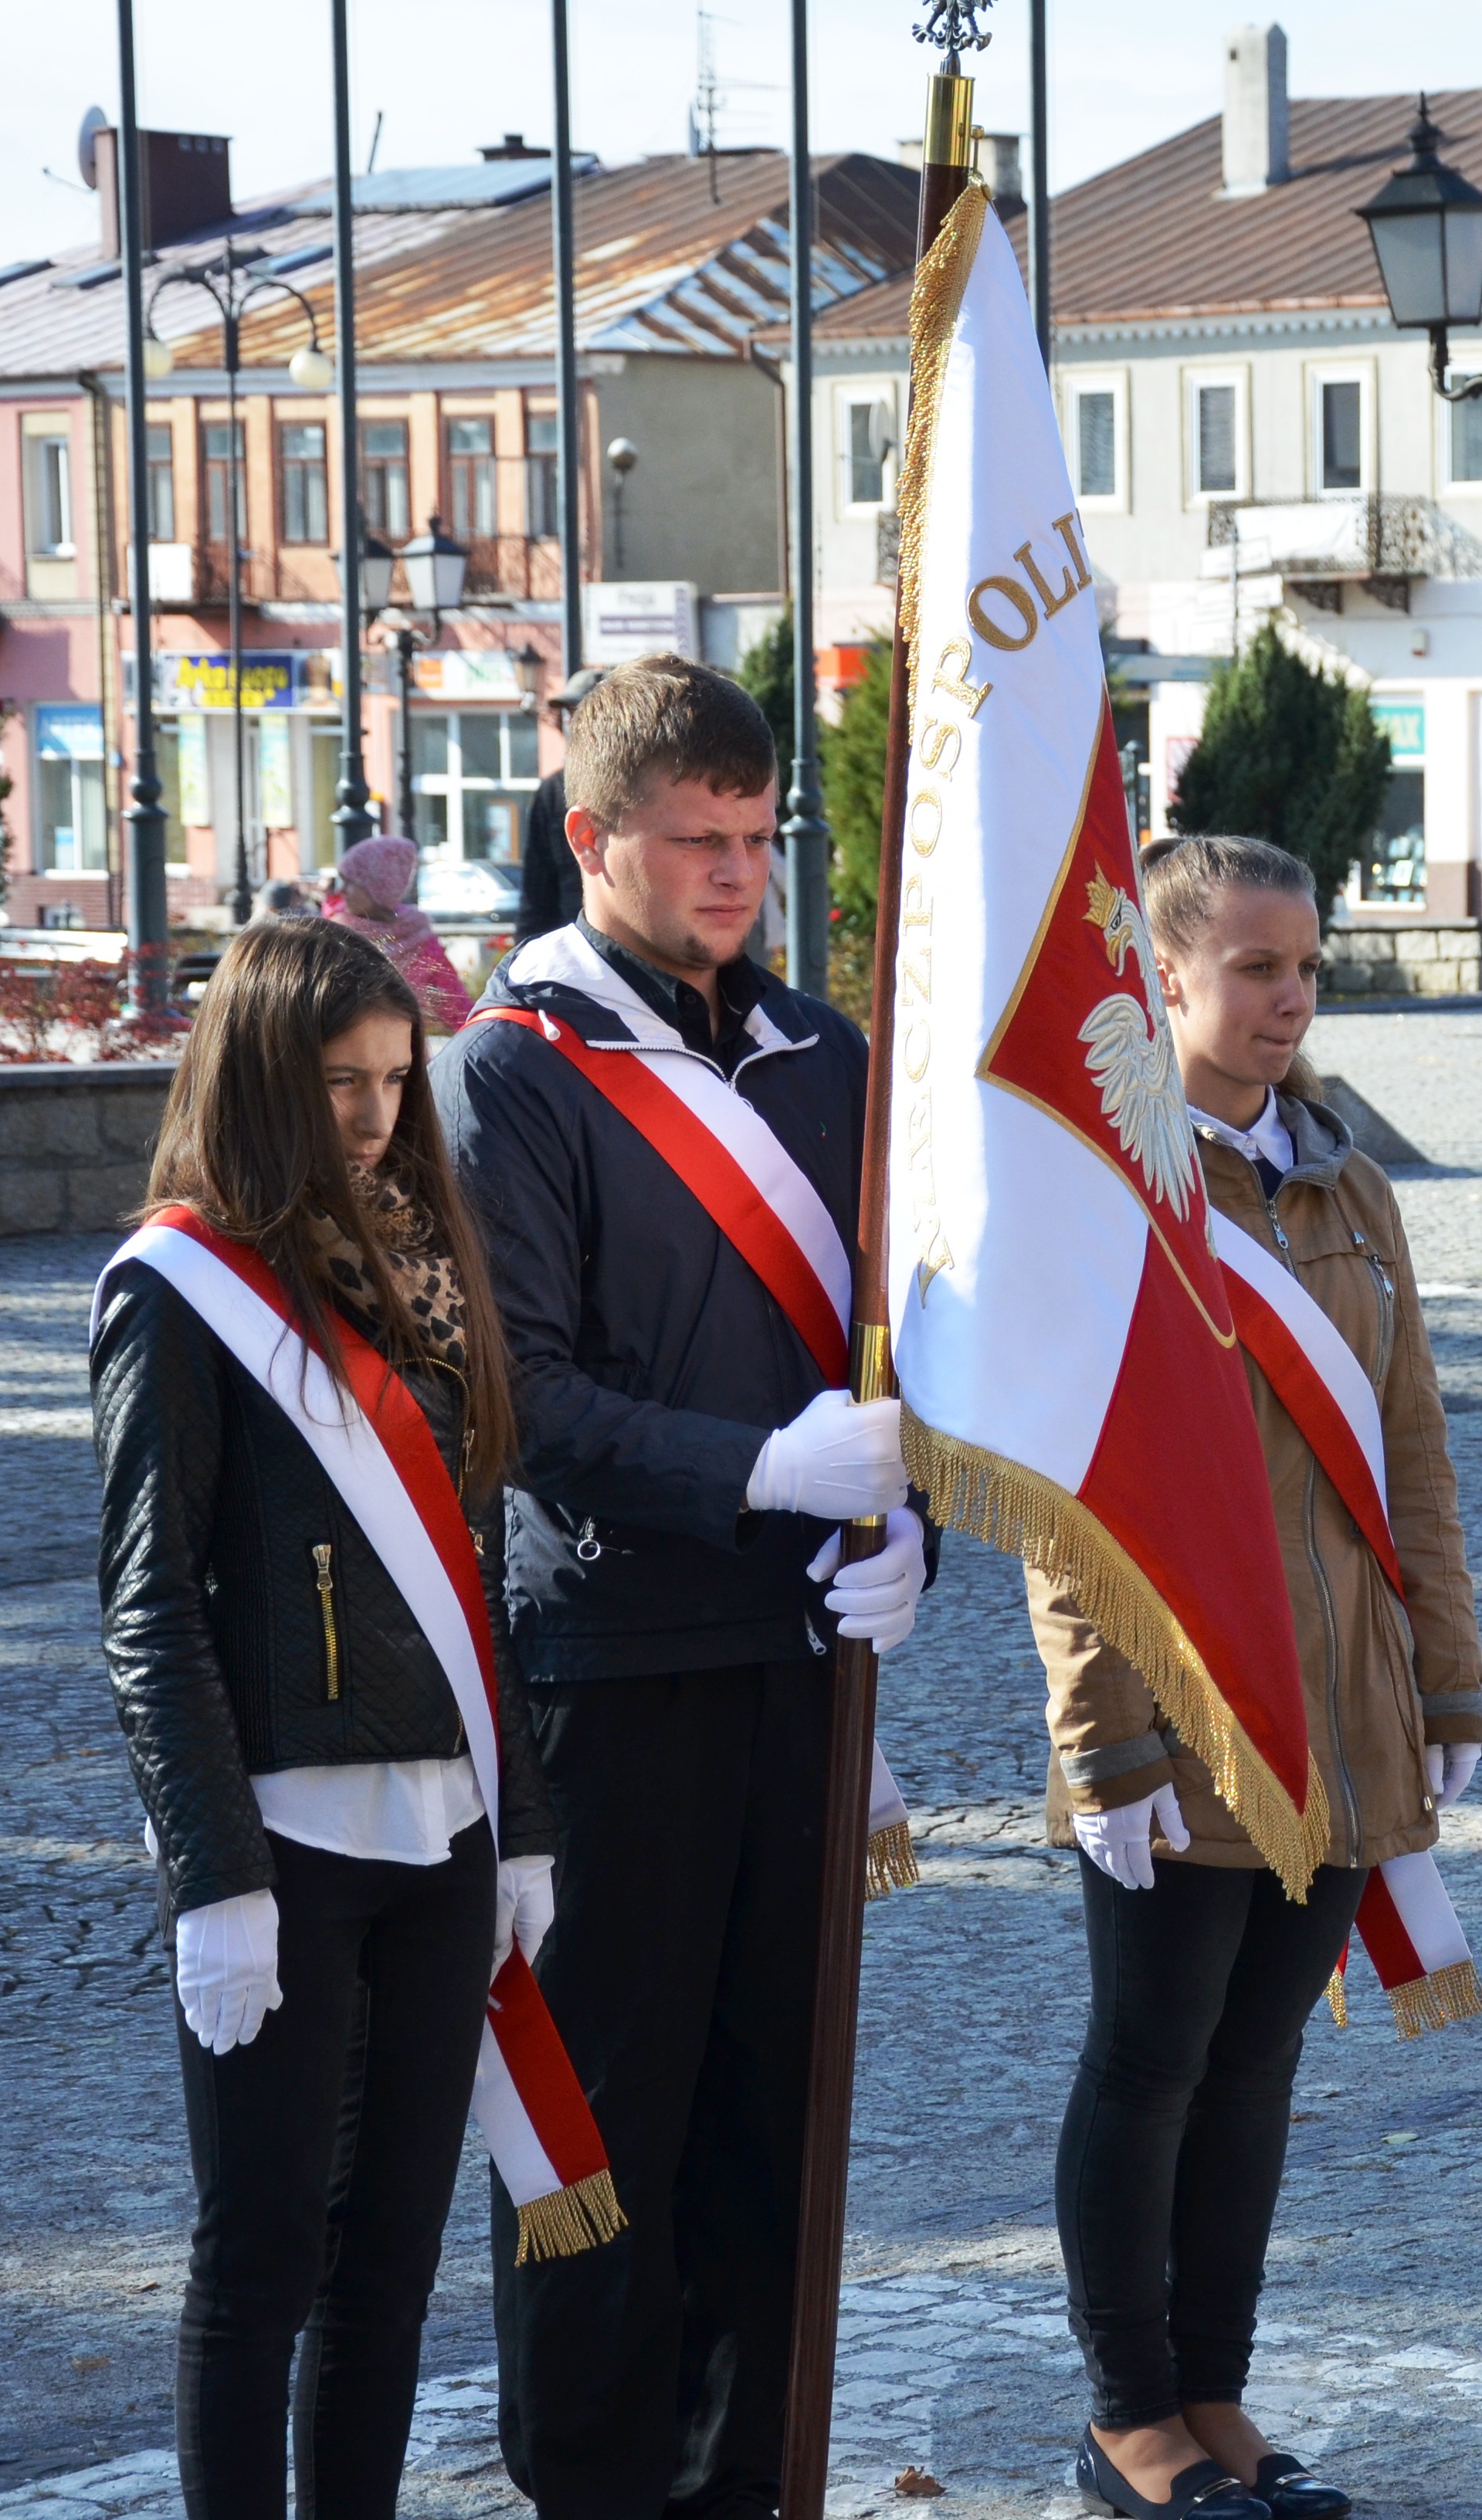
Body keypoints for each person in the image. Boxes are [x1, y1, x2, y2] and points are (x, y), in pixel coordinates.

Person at [436, 652, 926, 2520]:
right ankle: (590, 2492)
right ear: (591, 839)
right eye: (694, 839)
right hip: (611, 1667)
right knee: (595, 2136)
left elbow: (899, 1356)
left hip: (798, 1659)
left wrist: (909, 1525)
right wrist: (760, 1473)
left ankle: (744, 2493)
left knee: (770, 2124)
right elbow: (523, 1401)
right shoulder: (511, 1075)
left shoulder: (828, 1058)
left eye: (757, 835)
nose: (735, 872)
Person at [1039, 835, 1482, 2520]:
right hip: (1187, 1704)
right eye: (1253, 967)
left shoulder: (1347, 1187)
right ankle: (1126, 2419)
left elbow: (1412, 1452)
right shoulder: (1112, 1191)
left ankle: (1215, 2396)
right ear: (1162, 978)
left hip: (1345, 1707)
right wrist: (1104, 1740)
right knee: (1148, 2063)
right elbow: (1071, 1490)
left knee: (1254, 2069)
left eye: (1306, 965)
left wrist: (1444, 1684)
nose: (1290, 997)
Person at [90, 916, 559, 2520]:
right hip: (283, 1842)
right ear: (261, 1081)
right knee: (261, 2256)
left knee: (390, 2265)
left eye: (393, 1079)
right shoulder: (179, 1286)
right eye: (338, 1083)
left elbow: (475, 1569)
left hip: (443, 1831)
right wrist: (213, 1877)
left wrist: (521, 1824)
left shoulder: (424, 1265)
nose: (372, 1116)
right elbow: (149, 1604)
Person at [324, 835, 477, 1033]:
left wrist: (481, 1035)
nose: (341, 890)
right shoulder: (334, 934)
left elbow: (455, 1004)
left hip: (404, 1048)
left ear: (378, 887)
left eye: (350, 882)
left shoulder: (418, 935)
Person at [514, 666, 612, 944]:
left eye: (585, 714)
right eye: (570, 714)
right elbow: (536, 889)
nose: (574, 724)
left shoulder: (644, 786)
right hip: (570, 945)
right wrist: (526, 954)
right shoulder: (552, 792)